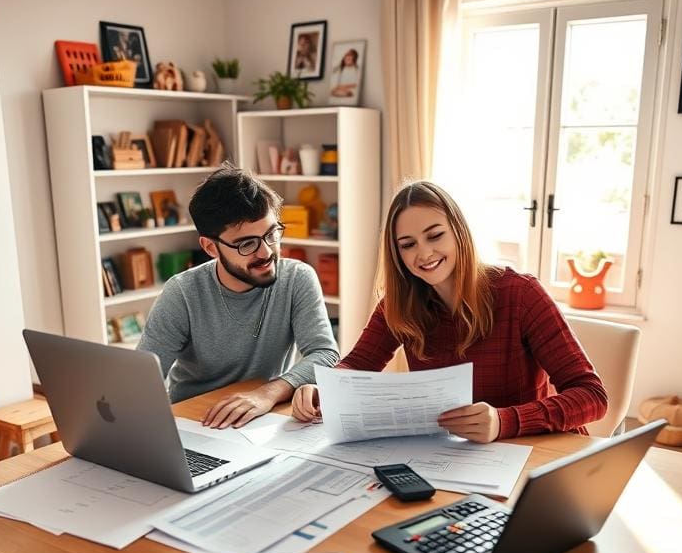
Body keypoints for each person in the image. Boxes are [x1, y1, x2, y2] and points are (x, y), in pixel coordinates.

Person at [291, 181, 607, 443]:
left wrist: (503, 420)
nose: (424, 253)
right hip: (454, 456)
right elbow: (358, 364)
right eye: (407, 244)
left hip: (531, 449)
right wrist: (327, 389)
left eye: (435, 235)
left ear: (458, 232)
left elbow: (592, 396)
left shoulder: (520, 293)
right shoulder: (400, 303)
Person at [138, 165, 339, 429]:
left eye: (271, 234)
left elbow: (325, 353)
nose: (266, 252)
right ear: (210, 247)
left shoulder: (297, 279)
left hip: (260, 418)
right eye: (247, 244)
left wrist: (268, 393)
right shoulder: (183, 293)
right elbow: (142, 382)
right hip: (195, 421)